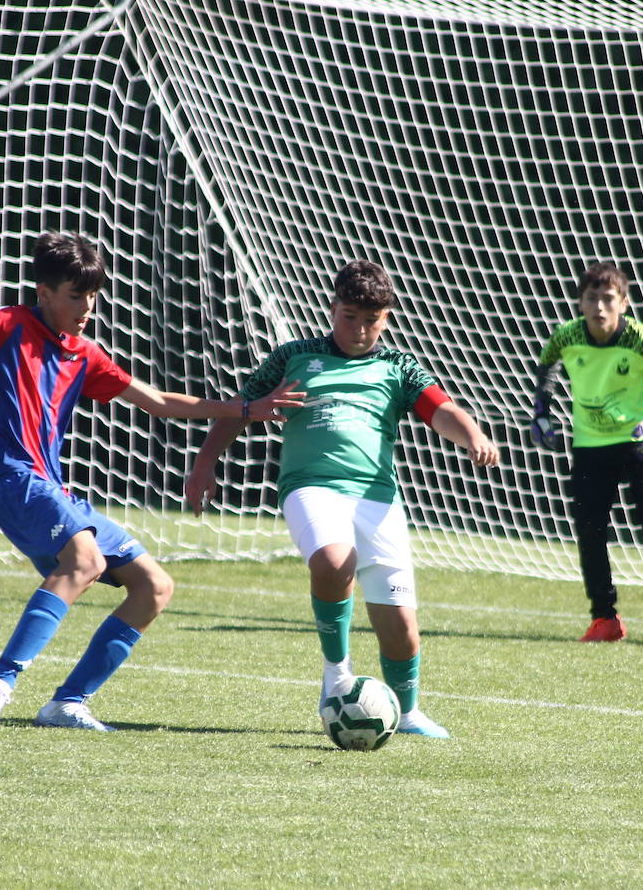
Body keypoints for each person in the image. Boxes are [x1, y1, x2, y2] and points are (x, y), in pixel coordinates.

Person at [0, 230, 304, 733]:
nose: (87, 307)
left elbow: (157, 400)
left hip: (53, 486)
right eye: (76, 296)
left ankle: (67, 703)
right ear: (45, 292)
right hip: (15, 479)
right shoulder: (10, 325)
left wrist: (248, 410)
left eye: (93, 296)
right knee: (86, 560)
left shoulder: (83, 353)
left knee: (154, 587)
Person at [184, 260, 500, 739]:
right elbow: (239, 409)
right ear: (333, 308)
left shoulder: (396, 366)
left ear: (387, 317)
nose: (358, 329)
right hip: (311, 487)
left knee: (400, 626)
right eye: (349, 316)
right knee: (334, 562)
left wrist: (472, 434)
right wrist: (205, 462)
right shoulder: (294, 356)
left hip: (377, 499)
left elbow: (441, 408)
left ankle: (408, 712)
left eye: (371, 320)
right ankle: (337, 675)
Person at [530, 261, 643, 646]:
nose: (600, 307)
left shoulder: (640, 337)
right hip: (590, 445)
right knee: (590, 531)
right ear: (580, 303)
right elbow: (547, 367)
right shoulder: (567, 335)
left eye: (608, 299)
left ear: (623, 303)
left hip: (638, 442)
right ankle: (604, 618)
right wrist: (541, 413)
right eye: (592, 299)